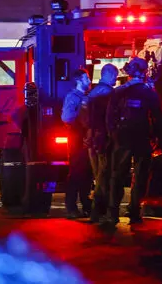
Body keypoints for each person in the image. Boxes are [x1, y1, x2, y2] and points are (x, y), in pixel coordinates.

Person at [105, 57, 162, 226]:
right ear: (145, 72)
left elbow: (109, 117)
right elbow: (158, 118)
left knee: (117, 174)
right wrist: (159, 139)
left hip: (122, 137)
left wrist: (113, 135)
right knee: (140, 175)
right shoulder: (149, 93)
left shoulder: (118, 92)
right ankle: (134, 211)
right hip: (142, 137)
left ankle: (112, 213)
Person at [86, 64, 119, 223]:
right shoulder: (109, 94)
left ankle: (98, 211)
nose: (116, 78)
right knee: (103, 175)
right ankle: (98, 211)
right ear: (109, 74)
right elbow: (110, 119)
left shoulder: (92, 92)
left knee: (98, 174)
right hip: (103, 139)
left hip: (92, 139)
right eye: (115, 75)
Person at [62, 69, 93, 219]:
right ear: (79, 81)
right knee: (76, 173)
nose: (89, 80)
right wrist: (80, 115)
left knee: (86, 173)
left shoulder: (85, 97)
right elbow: (67, 117)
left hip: (85, 140)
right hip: (77, 140)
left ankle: (86, 204)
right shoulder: (73, 97)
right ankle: (71, 207)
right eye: (86, 78)